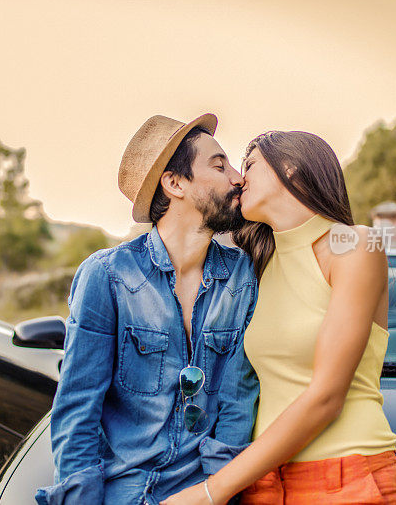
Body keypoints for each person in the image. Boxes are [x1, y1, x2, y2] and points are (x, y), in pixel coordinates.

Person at [162, 130, 396, 504]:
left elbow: (326, 397)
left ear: (291, 168)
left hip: (349, 477)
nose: (239, 178)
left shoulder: (354, 245)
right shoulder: (254, 268)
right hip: (261, 485)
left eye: (249, 165)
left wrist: (211, 492)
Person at [35, 113, 260, 505]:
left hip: (202, 493)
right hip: (123, 492)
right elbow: (77, 406)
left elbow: (237, 401)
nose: (238, 177)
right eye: (219, 165)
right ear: (174, 183)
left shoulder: (241, 276)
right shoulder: (107, 275)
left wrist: (215, 495)